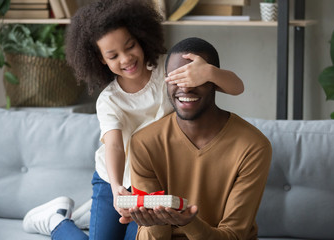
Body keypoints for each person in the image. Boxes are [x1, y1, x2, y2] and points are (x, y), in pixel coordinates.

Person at [22, 1, 244, 239]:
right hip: (113, 182)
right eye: (113, 55)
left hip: (152, 183)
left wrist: (210, 72)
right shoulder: (109, 100)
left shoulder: (168, 70)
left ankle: (91, 217)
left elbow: (237, 88)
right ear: (100, 59)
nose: (126, 59)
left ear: (140, 37)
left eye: (130, 46)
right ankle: (56, 220)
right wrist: (117, 189)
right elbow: (115, 145)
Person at [122, 37, 272, 239]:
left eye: (195, 78)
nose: (185, 88)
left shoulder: (253, 146)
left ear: (214, 82)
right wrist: (156, 224)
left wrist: (190, 223)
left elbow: (233, 235)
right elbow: (153, 234)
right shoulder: (143, 143)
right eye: (176, 78)